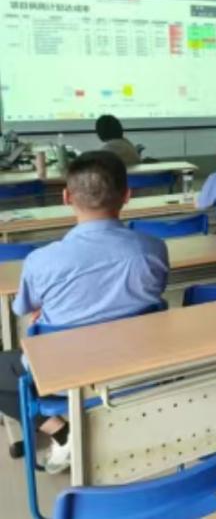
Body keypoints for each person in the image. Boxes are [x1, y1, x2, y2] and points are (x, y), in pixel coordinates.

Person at [0, 151, 169, 474]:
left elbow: (22, 308)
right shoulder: (153, 249)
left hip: (61, 375)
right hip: (135, 366)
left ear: (66, 197)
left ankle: (61, 431)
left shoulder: (41, 261)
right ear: (127, 195)